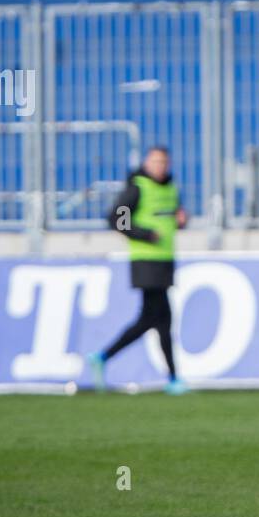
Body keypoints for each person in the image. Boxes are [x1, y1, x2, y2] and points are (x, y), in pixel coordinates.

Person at [88, 146, 189, 395]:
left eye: (164, 162)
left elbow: (171, 219)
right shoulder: (137, 187)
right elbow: (116, 219)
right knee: (162, 319)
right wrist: (144, 235)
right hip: (145, 261)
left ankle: (103, 357)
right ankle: (173, 378)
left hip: (165, 260)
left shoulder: (170, 188)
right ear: (147, 162)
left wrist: (182, 220)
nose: (160, 166)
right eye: (156, 161)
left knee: (152, 320)